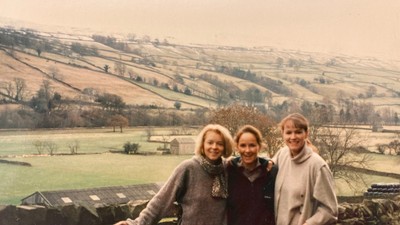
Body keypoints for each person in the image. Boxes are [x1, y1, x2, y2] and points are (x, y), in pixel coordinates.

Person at [114, 124, 234, 225]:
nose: (214, 147)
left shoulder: (229, 169)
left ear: (225, 147)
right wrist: (136, 223)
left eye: (220, 143)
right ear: (203, 145)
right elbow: (161, 201)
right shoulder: (188, 168)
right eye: (210, 142)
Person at [273, 113, 338, 225]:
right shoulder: (282, 155)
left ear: (306, 133)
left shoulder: (317, 166)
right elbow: (263, 166)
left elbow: (330, 210)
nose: (293, 137)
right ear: (282, 134)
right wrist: (233, 161)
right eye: (288, 132)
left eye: (298, 132)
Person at [227, 125, 277, 225]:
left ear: (259, 146)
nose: (247, 150)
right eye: (243, 145)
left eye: (252, 145)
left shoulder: (270, 172)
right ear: (237, 147)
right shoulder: (229, 170)